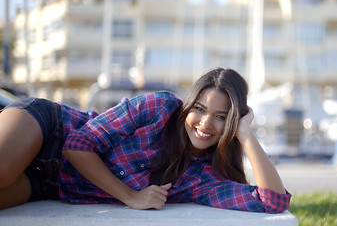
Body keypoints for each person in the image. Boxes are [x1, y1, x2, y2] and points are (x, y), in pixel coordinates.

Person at [0, 68, 291, 213]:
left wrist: (246, 134)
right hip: (49, 129)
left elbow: (273, 201)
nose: (205, 123)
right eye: (199, 110)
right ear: (188, 106)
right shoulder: (159, 107)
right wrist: (131, 196)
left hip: (52, 184)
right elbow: (77, 146)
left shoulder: (202, 177)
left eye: (221, 116)